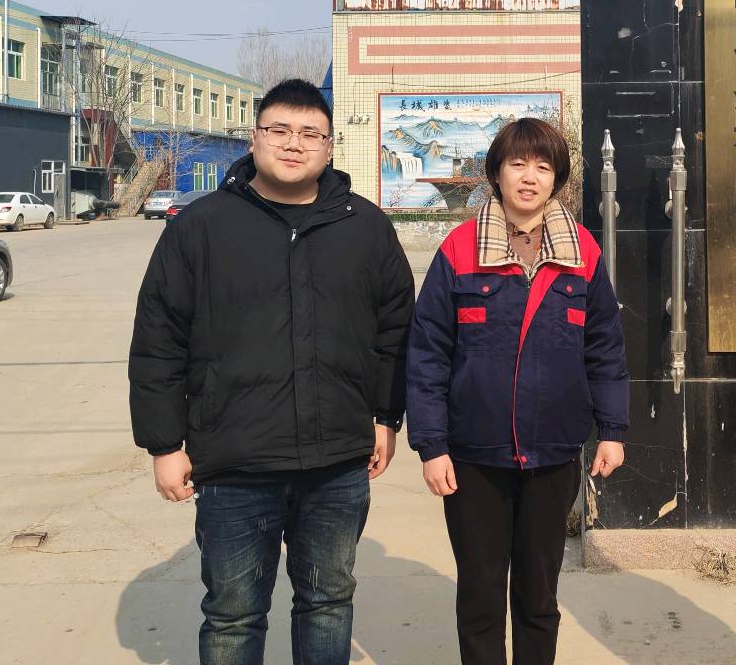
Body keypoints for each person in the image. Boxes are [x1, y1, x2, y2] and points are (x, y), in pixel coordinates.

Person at [128, 78, 415, 665]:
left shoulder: (365, 227)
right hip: (234, 462)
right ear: (254, 138)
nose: (294, 143)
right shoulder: (202, 227)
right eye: (279, 129)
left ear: (330, 147)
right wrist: (164, 444)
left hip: (337, 462)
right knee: (232, 615)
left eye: (310, 133)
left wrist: (386, 417)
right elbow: (159, 339)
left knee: (328, 603)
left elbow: (395, 332)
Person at [407, 117, 628, 665]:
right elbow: (428, 352)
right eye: (518, 164)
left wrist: (612, 430)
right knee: (480, 598)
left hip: (552, 453)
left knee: (538, 597)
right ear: (496, 173)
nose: (530, 177)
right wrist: (432, 445)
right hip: (474, 456)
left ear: (558, 179)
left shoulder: (582, 252)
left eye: (543, 167)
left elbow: (604, 346)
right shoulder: (460, 249)